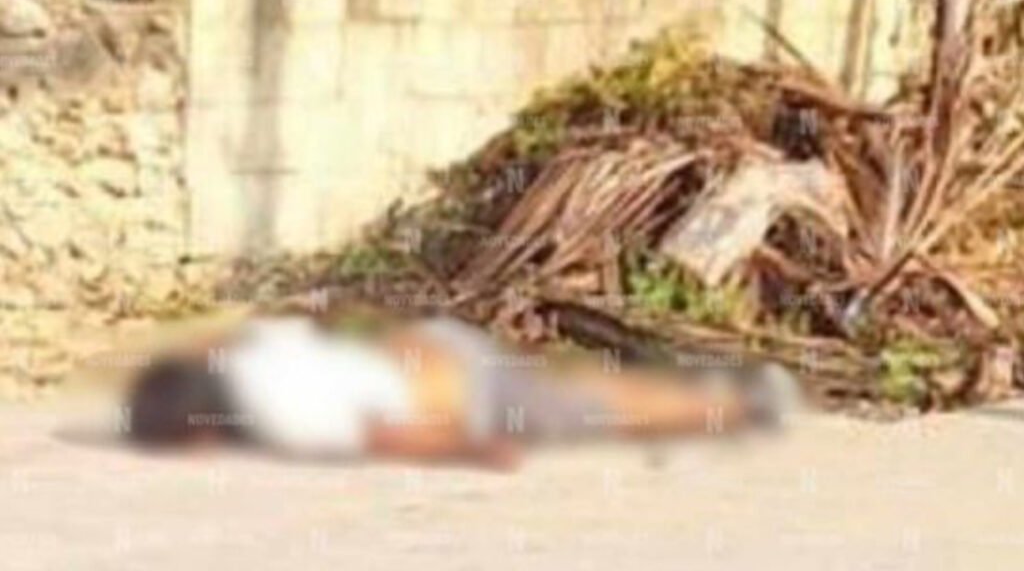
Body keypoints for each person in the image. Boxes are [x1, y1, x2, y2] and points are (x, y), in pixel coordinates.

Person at [124, 315, 794, 469]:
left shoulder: (281, 417)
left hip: (464, 392)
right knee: (587, 390)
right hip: (432, 340)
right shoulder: (248, 353)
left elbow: (383, 432)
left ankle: (741, 406)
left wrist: (470, 450)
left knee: (601, 409)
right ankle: (720, 394)